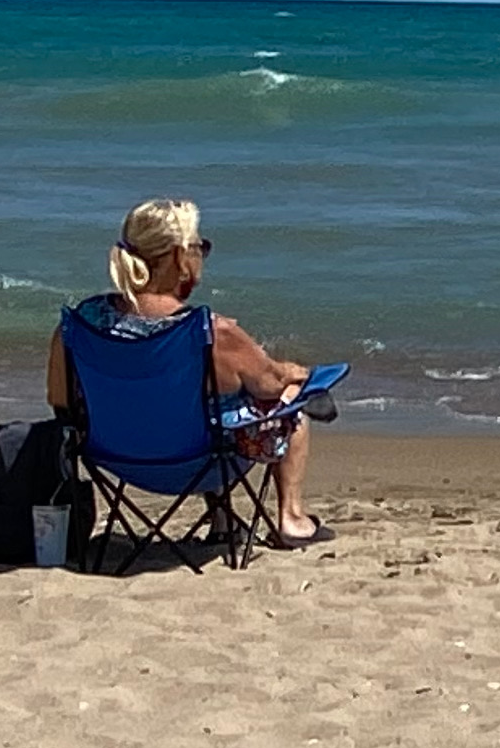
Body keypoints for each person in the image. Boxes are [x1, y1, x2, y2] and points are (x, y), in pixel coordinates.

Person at [45, 196, 332, 547]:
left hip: (115, 459)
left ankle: (224, 521)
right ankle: (291, 518)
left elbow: (59, 401)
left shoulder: (80, 325)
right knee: (288, 402)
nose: (202, 256)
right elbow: (270, 383)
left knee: (208, 406)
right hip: (198, 463)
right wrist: (294, 373)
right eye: (200, 247)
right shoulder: (212, 333)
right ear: (180, 257)